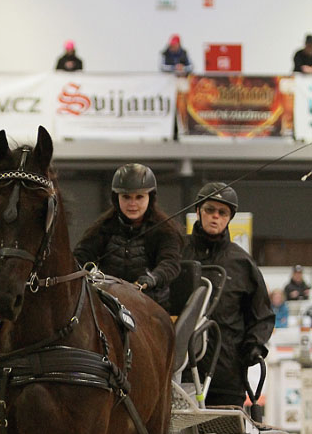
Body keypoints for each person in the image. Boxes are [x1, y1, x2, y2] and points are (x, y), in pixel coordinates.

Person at [182, 182, 275, 407]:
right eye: (209, 210)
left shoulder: (242, 263)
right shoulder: (177, 253)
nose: (215, 217)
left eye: (222, 212)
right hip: (180, 373)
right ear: (198, 212)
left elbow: (262, 316)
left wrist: (254, 347)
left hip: (227, 376)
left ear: (229, 218)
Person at [73, 163, 183, 309]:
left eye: (139, 197)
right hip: (110, 304)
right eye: (126, 197)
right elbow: (80, 258)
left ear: (150, 197)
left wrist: (153, 279)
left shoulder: (165, 230)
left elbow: (170, 263)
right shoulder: (102, 228)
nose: (132, 203)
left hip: (151, 305)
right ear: (116, 198)